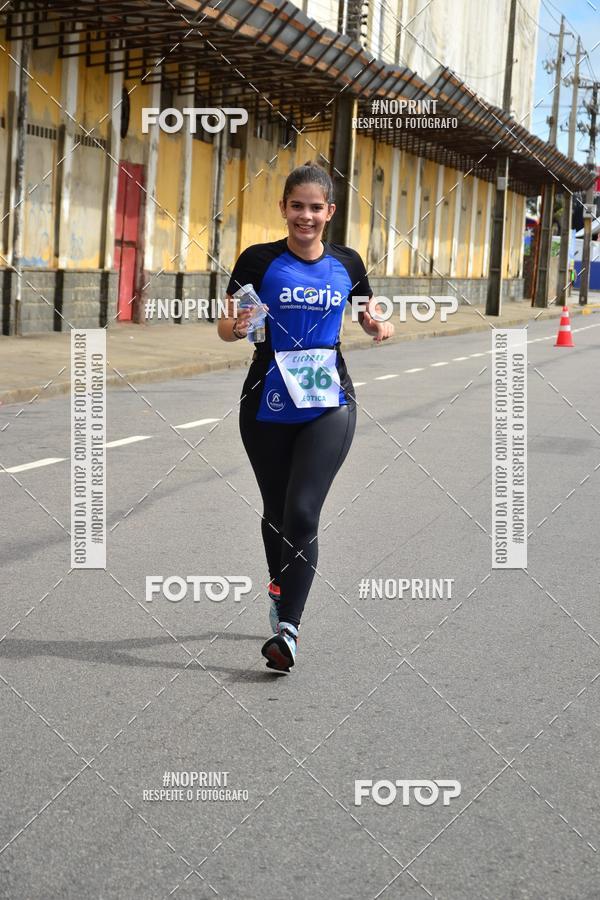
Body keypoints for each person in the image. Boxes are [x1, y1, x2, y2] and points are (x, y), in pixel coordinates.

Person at [218, 161, 393, 672]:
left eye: (316, 207)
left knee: (302, 511)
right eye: (298, 206)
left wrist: (376, 325)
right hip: (266, 396)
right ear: (284, 209)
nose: (306, 216)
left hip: (328, 400)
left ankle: (288, 630)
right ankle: (280, 585)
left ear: (330, 212)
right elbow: (227, 328)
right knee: (275, 510)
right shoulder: (257, 261)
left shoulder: (347, 262)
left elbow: (367, 310)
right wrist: (240, 325)